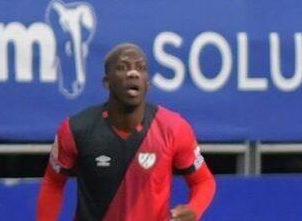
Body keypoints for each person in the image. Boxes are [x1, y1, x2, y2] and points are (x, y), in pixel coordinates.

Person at [37, 43, 216, 221]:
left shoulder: (174, 128)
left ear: (148, 83)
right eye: (123, 68)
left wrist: (194, 209)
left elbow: (203, 181)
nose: (133, 73)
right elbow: (53, 183)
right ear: (107, 82)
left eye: (140, 68)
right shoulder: (75, 129)